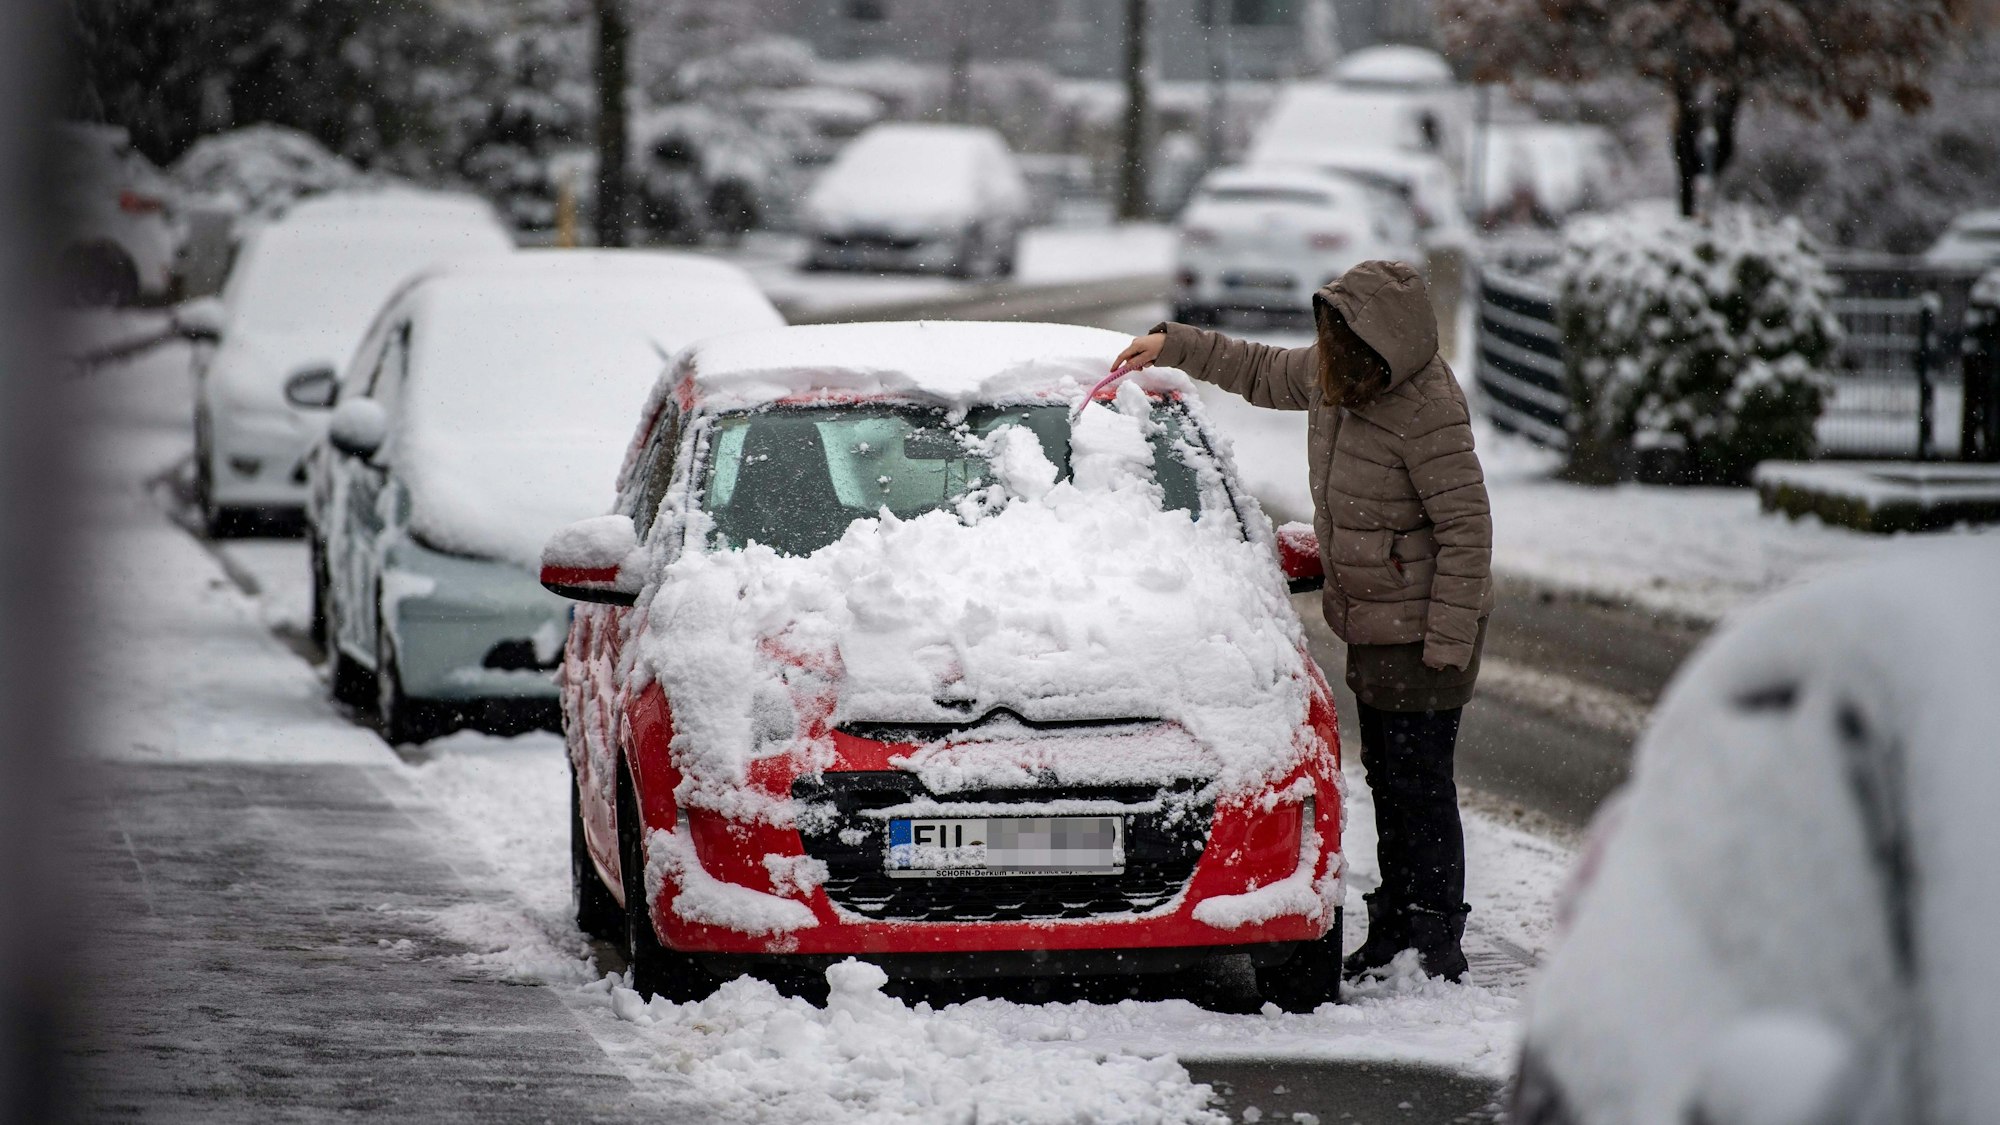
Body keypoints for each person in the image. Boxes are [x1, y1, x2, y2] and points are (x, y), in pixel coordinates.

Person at [1112, 260, 1492, 981]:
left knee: (1422, 785)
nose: (1329, 362)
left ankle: (1434, 936)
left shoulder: (1427, 407)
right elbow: (1255, 368)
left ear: (1377, 344)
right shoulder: (1334, 374)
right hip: (1377, 625)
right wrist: (1175, 344)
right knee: (1391, 777)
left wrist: (1447, 642)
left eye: (1341, 345)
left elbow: (1466, 529)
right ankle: (1398, 927)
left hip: (1425, 633)